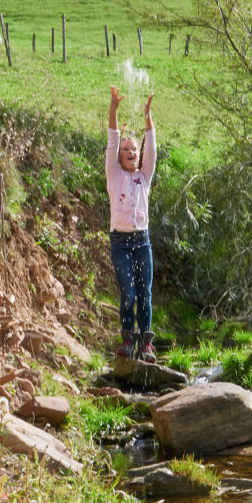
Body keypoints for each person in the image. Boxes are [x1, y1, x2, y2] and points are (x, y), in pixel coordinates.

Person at [106, 85, 157, 362]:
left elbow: (152, 149)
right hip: (120, 243)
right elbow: (113, 140)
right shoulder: (114, 175)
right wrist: (114, 109)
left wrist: (148, 117)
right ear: (118, 156)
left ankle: (146, 345)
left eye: (134, 148)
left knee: (144, 294)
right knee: (128, 293)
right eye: (125, 149)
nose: (130, 151)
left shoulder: (144, 177)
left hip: (142, 241)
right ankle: (127, 340)